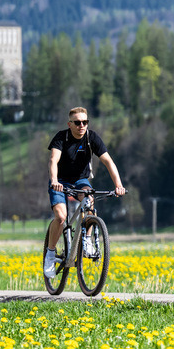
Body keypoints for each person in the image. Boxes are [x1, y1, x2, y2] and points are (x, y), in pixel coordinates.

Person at [44, 107, 126, 278]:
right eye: (78, 122)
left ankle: (87, 239)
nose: (82, 125)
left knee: (89, 201)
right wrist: (54, 180)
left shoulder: (91, 137)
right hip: (60, 181)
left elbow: (108, 161)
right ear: (70, 124)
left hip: (81, 181)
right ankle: (50, 254)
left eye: (85, 122)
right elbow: (53, 160)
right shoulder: (61, 137)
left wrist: (118, 185)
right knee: (61, 217)